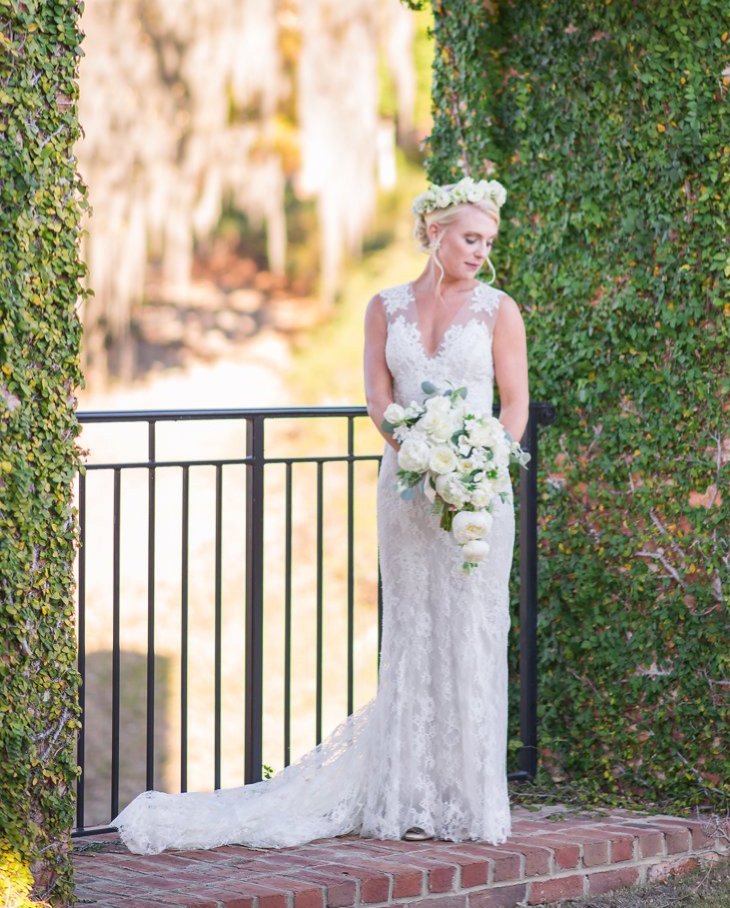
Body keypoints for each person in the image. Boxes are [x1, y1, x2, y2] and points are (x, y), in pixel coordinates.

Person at [115, 175, 528, 853]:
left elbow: (512, 405)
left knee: (469, 633)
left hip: (477, 498)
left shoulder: (498, 310)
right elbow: (377, 397)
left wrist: (476, 467)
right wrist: (421, 456)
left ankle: (468, 799)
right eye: (470, 238)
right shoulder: (383, 308)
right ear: (435, 233)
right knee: (412, 633)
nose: (481, 251)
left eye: (488, 241)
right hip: (407, 488)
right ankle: (406, 793)